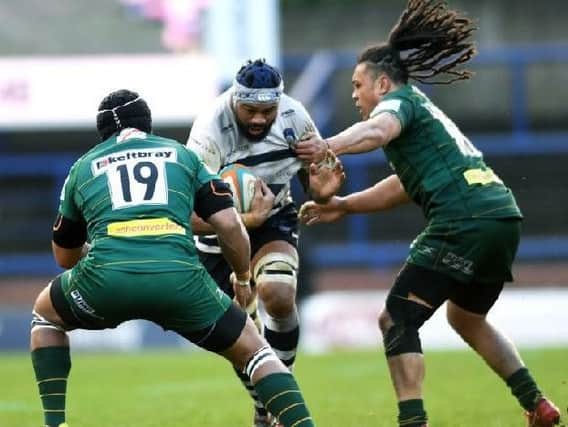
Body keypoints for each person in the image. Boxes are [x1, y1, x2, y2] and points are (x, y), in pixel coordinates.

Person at [295, 1, 562, 426]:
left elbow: (378, 130)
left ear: (383, 84)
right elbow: (402, 187)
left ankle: (413, 422)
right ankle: (537, 403)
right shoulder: (422, 117)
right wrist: (344, 205)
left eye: (357, 85)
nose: (353, 94)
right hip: (501, 218)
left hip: (464, 220)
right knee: (466, 317)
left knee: (397, 318)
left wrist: (327, 145)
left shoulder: (398, 105)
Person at [30, 89, 318, 427]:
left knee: (46, 317)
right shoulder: (181, 155)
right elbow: (228, 224)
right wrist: (242, 277)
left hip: (106, 280)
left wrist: (98, 254)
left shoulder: (83, 167)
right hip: (181, 280)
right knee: (257, 352)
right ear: (148, 127)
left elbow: (65, 257)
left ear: (104, 134)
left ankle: (54, 424)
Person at [186, 58, 344, 426]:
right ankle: (265, 405)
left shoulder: (295, 117)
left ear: (280, 103)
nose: (259, 119)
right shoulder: (208, 133)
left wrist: (322, 191)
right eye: (250, 110)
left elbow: (316, 180)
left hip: (273, 218)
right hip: (217, 235)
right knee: (243, 338)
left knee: (278, 293)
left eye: (267, 111)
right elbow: (187, 217)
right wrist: (244, 219)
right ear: (234, 101)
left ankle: (274, 404)